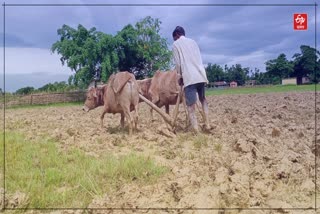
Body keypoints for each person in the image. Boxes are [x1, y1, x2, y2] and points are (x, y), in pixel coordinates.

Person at [172, 26, 210, 133]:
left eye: (174, 38)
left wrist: (180, 76)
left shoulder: (176, 44)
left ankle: (196, 130)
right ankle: (207, 124)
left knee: (190, 106)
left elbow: (178, 63)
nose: (174, 40)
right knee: (203, 99)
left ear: (177, 35)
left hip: (190, 77)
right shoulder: (193, 42)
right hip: (201, 75)